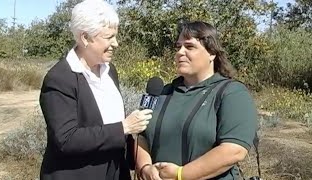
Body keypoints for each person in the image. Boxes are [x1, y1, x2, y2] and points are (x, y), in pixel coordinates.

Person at [39, 0, 152, 179]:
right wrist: (124, 127)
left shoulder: (109, 70)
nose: (116, 43)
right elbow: (66, 139)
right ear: (85, 38)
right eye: (109, 37)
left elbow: (106, 121)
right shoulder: (60, 78)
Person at [135, 21, 258, 180]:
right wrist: (145, 168)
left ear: (212, 53)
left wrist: (181, 175)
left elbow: (234, 150)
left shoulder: (232, 93)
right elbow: (140, 136)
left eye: (189, 47)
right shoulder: (162, 92)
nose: (180, 52)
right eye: (178, 47)